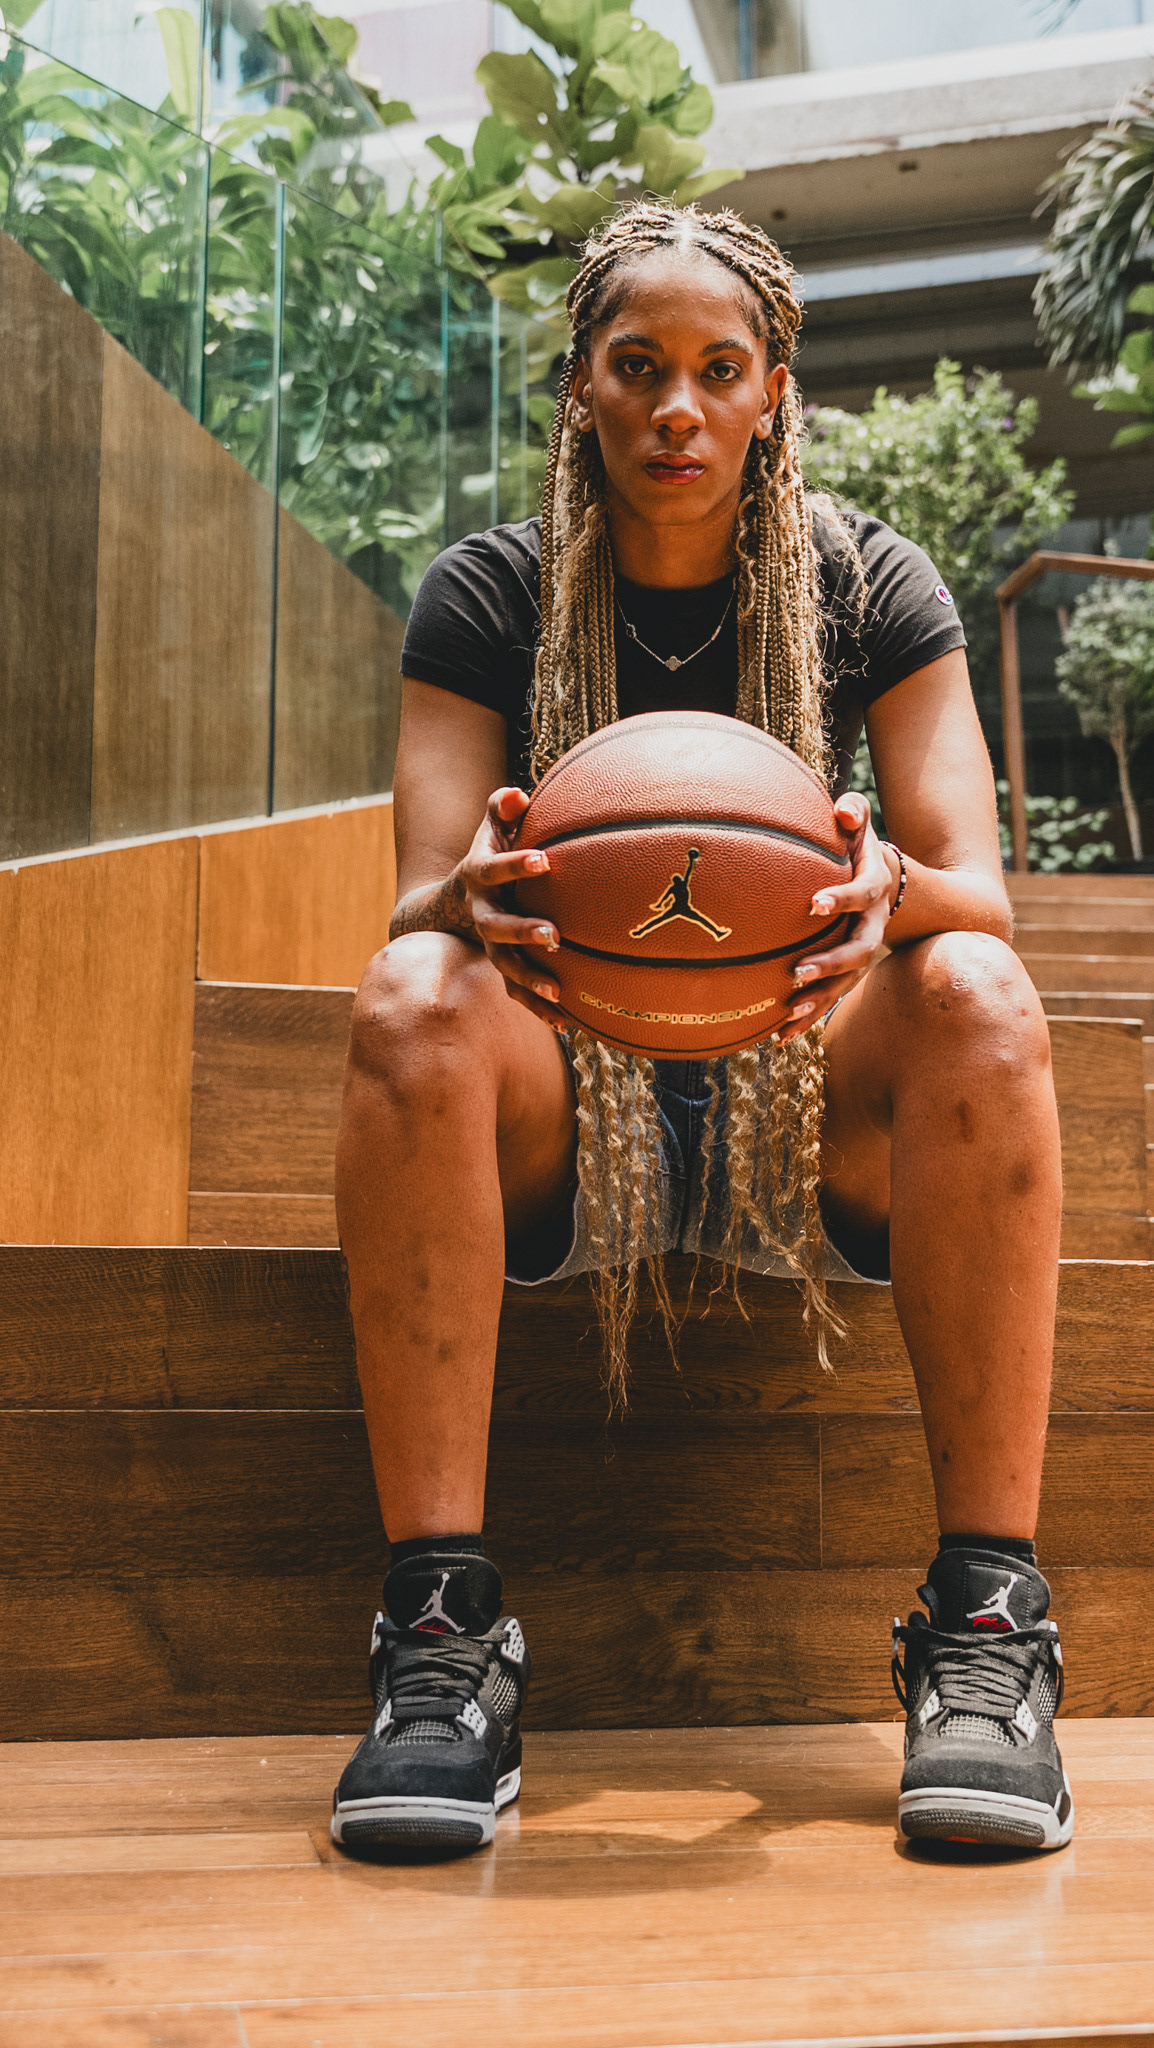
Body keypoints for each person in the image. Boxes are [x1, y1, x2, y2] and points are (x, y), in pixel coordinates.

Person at [330, 202, 1072, 1859]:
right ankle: (439, 1634)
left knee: (975, 990)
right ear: (581, 387)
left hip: (810, 1103)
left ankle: (985, 1623)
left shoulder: (868, 581)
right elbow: (413, 902)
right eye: (637, 365)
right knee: (410, 997)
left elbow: (976, 887)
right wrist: (477, 894)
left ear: (769, 395)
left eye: (716, 369)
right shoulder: (492, 591)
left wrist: (886, 891)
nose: (676, 404)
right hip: (562, 1110)